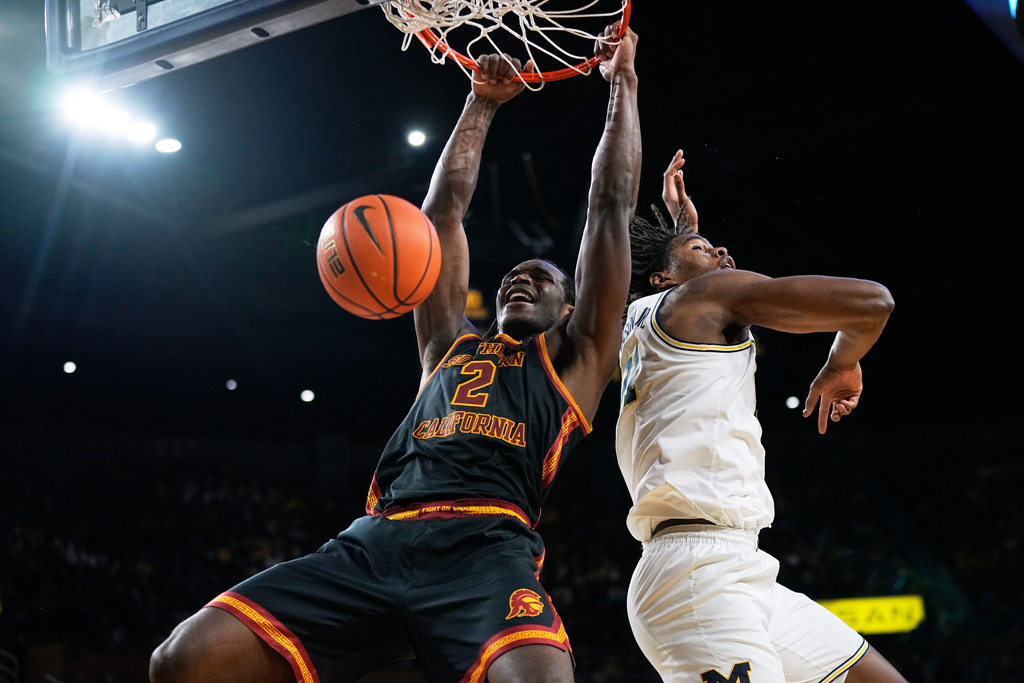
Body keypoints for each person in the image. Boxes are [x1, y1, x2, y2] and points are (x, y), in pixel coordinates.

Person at [148, 23, 640, 683]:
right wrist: (482, 103)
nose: (520, 278)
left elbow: (609, 206)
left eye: (542, 277)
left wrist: (622, 86)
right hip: (376, 540)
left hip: (484, 549)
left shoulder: (577, 361)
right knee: (183, 660)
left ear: (572, 306)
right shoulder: (446, 344)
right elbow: (439, 219)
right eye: (509, 278)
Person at [615, 152, 907, 683]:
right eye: (705, 248)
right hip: (695, 576)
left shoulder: (637, 323)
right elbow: (872, 303)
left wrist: (687, 234)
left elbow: (685, 283)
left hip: (738, 565)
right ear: (664, 278)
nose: (723, 251)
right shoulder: (696, 298)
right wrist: (842, 362)